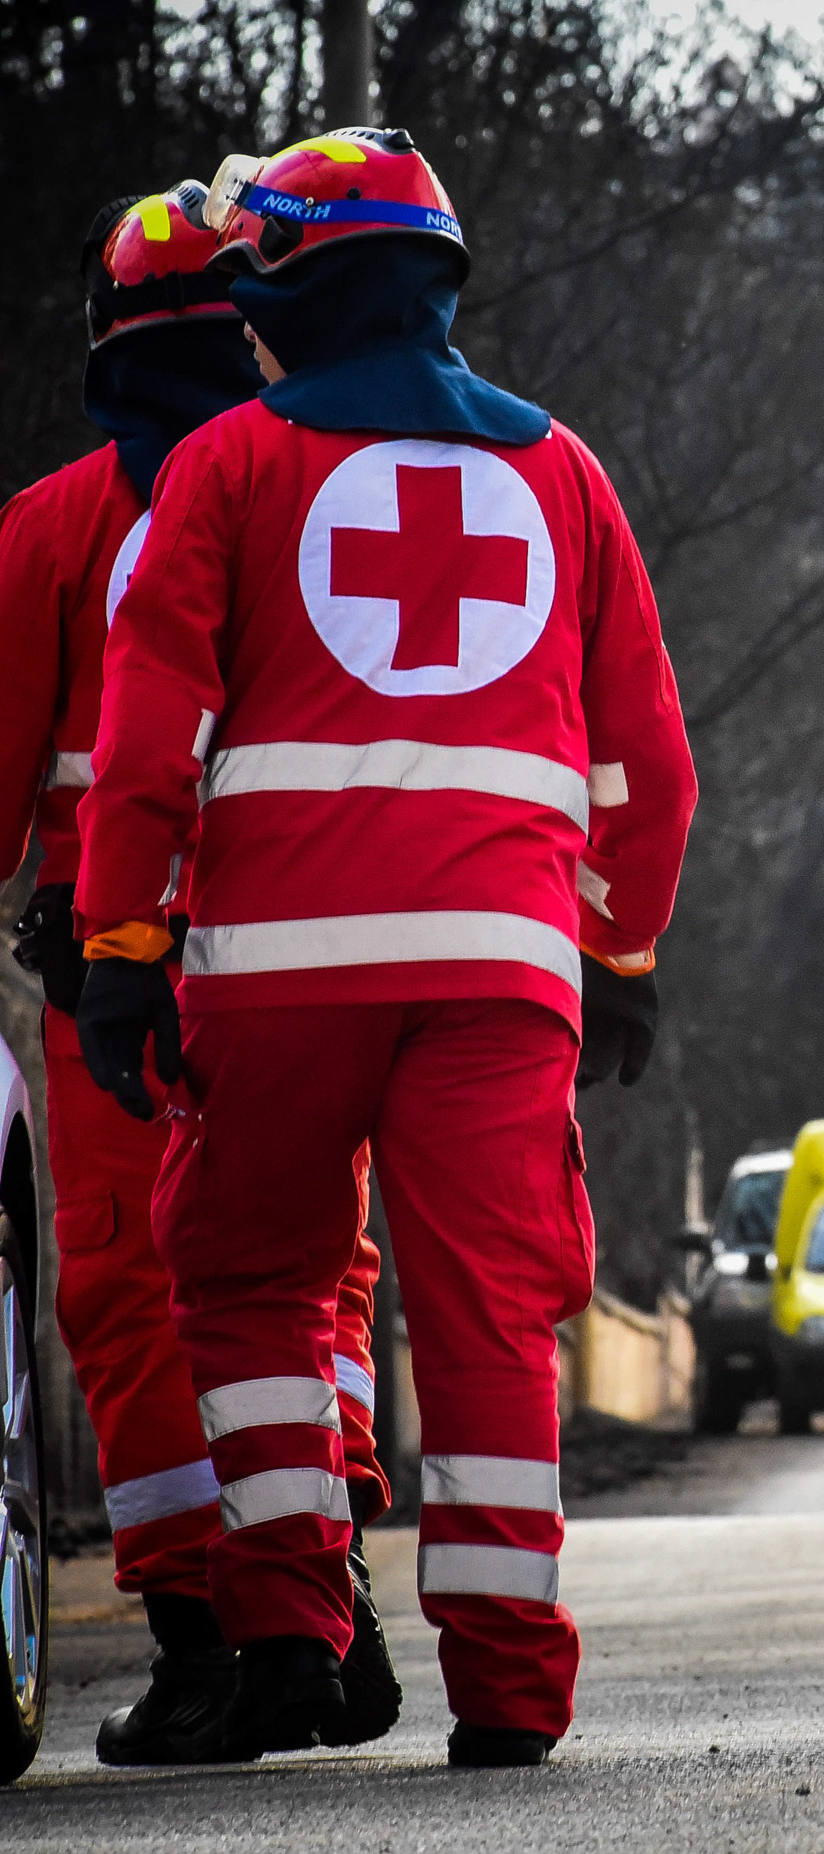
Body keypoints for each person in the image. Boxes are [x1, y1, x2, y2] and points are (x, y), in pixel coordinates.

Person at [71, 128, 698, 1769]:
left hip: (276, 968)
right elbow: (648, 760)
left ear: (278, 293)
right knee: (491, 1312)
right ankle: (509, 1688)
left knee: (257, 1278)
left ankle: (287, 1631)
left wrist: (123, 941)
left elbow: (149, 740)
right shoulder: (561, 471)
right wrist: (620, 953)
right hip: (500, 967)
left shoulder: (226, 468)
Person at [3, 179, 410, 1765]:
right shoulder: (328, 486)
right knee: (312, 1275)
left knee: (131, 1288)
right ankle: (322, 1599)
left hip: (115, 977)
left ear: (101, 339)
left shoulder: (53, 525)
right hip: (292, 954)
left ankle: (200, 1647)